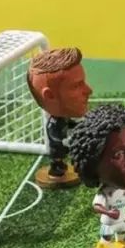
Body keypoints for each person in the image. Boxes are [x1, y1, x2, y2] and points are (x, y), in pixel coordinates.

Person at [69, 103, 125, 248]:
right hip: (109, 223)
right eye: (118, 155)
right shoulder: (105, 195)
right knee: (107, 235)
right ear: (92, 164)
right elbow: (97, 206)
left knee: (122, 232)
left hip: (121, 221)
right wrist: (108, 213)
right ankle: (103, 246)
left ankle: (121, 243)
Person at [27, 47, 93, 188]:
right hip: (59, 151)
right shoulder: (53, 124)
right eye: (76, 86)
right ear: (50, 96)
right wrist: (68, 141)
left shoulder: (64, 118)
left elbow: (69, 124)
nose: (89, 90)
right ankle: (56, 169)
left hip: (65, 148)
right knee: (59, 160)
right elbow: (56, 137)